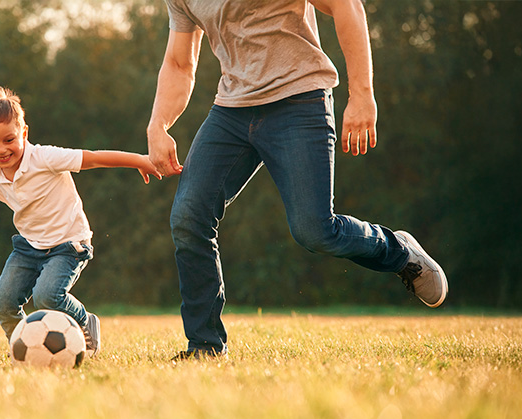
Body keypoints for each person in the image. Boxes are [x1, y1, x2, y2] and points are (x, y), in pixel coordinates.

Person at [146, 0, 448, 359]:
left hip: (299, 99)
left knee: (314, 230)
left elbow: (346, 6)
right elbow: (179, 63)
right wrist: (158, 124)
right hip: (231, 110)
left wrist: (362, 95)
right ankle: (205, 346)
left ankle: (399, 252)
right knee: (188, 217)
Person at [0, 87, 161, 357]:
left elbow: (94, 158)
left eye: (9, 140)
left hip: (69, 244)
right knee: (2, 302)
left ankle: (85, 322)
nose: (1, 150)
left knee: (47, 297)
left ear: (24, 133)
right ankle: (23, 348)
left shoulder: (45, 158)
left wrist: (139, 161)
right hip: (29, 247)